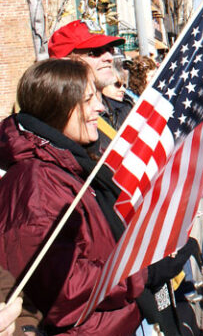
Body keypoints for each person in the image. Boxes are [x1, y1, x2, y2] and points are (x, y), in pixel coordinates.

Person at [0, 59, 145, 333]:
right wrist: (139, 274)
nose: (101, 108)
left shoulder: (65, 163)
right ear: (59, 107)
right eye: (88, 99)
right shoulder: (37, 185)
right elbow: (64, 289)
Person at [48, 19, 126, 153]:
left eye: (110, 50)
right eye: (95, 52)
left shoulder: (126, 107)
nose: (109, 57)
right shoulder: (57, 126)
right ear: (66, 63)